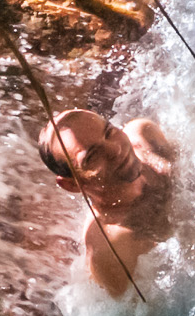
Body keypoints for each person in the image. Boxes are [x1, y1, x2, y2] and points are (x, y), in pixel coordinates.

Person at [37, 108, 182, 297]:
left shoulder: (144, 135)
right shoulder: (113, 250)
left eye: (109, 132)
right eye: (93, 156)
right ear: (72, 184)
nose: (116, 149)